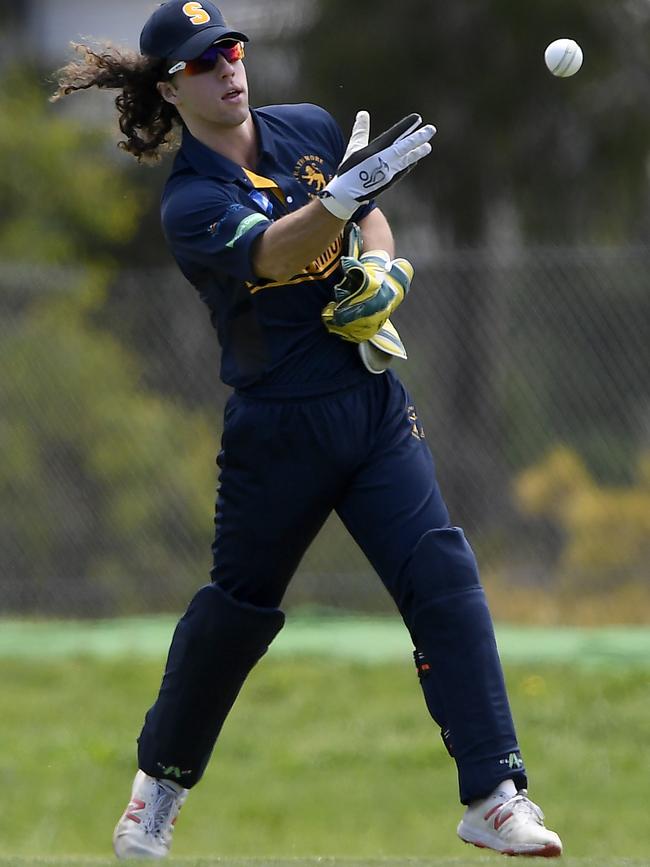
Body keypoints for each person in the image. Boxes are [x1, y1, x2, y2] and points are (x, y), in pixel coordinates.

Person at [54, 1, 562, 860]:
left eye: (232, 49)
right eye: (206, 63)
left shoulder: (306, 128)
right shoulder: (190, 202)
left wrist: (383, 264)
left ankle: (495, 792)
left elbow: (367, 217)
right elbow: (279, 253)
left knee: (442, 571)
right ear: (173, 88)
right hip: (277, 433)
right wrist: (345, 198)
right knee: (237, 615)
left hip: (367, 407)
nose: (229, 69)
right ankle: (159, 783)